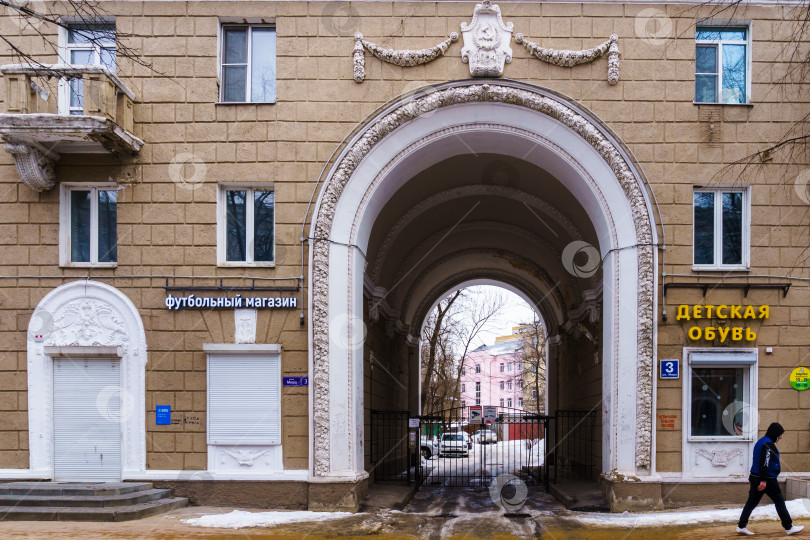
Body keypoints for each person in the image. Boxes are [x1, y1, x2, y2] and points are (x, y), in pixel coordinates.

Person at [737, 422, 804, 536]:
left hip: (755, 476)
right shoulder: (768, 444)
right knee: (779, 501)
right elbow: (765, 463)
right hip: (767, 479)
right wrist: (763, 481)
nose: (781, 437)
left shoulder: (761, 441)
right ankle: (789, 527)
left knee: (751, 502)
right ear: (775, 434)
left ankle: (741, 526)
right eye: (780, 435)